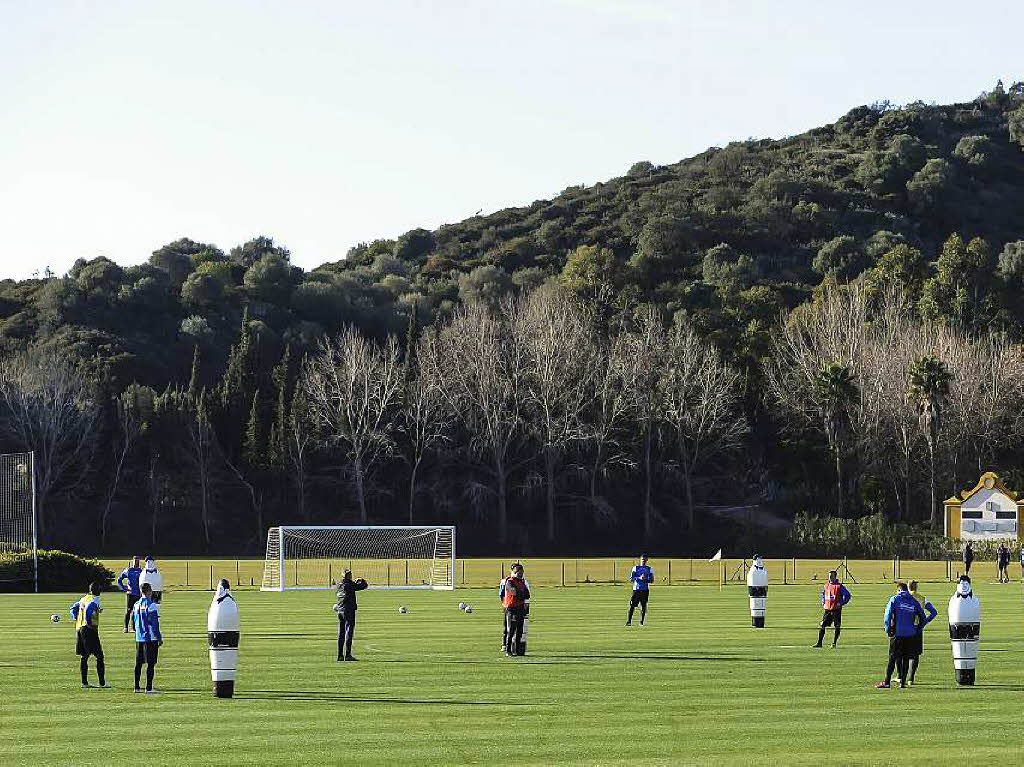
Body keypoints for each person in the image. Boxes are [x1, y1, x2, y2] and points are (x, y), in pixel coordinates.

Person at [875, 582, 927, 689]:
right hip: (910, 634)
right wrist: (917, 629)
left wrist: (888, 629)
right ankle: (902, 683)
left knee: (892, 658)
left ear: (898, 590)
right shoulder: (914, 601)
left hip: (897, 633)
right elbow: (922, 617)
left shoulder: (895, 599)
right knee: (906, 659)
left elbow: (888, 615)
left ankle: (887, 681)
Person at [69, 582, 107, 688]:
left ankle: (84, 683)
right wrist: (89, 622)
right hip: (89, 629)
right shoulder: (95, 599)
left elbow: (73, 608)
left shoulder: (84, 598)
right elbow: (89, 609)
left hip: (80, 628)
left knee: (84, 656)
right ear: (97, 590)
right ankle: (102, 683)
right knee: (99, 656)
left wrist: (76, 618)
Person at [131, 582, 163, 693]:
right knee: (150, 663)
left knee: (138, 663)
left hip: (139, 637)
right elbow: (155, 624)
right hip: (150, 638)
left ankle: (136, 687)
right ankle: (149, 688)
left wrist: (136, 630)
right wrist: (159, 637)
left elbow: (133, 620)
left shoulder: (136, 604)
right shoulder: (151, 605)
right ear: (149, 591)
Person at [906, 580, 938, 686]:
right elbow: (934, 612)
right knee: (915, 654)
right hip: (917, 629)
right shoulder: (922, 598)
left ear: (908, 587)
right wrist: (924, 622)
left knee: (903, 653)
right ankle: (911, 679)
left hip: (904, 628)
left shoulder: (902, 598)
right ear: (916, 587)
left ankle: (900, 677)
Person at [334, 570, 368, 661]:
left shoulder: (339, 584)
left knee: (341, 633)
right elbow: (364, 586)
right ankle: (348, 655)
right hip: (348, 610)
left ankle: (340, 655)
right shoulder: (349, 585)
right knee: (349, 631)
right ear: (349, 576)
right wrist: (361, 580)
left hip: (340, 610)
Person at [813, 570, 852, 648]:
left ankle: (834, 643)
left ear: (835, 576)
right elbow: (823, 595)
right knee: (822, 625)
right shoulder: (826, 586)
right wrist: (823, 603)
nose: (830, 577)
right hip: (827, 609)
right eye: (829, 575)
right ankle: (819, 643)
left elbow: (847, 595)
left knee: (837, 626)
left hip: (836, 609)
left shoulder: (840, 586)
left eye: (832, 576)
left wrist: (841, 603)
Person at [501, 563, 530, 657]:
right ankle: (508, 650)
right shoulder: (509, 581)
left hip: (520, 608)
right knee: (511, 630)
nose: (521, 574)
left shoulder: (522, 582)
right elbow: (514, 593)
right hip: (511, 609)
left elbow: (527, 594)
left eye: (522, 572)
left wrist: (520, 593)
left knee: (520, 631)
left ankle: (517, 650)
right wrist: (520, 593)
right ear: (514, 573)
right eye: (518, 572)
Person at [116, 556, 143, 633]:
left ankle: (134, 628)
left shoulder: (141, 571)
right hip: (130, 594)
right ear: (132, 562)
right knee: (128, 610)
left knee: (136, 611)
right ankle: (125, 627)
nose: (136, 563)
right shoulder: (128, 570)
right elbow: (119, 580)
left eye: (137, 561)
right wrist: (124, 588)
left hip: (138, 594)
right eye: (135, 561)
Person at [626, 555, 653, 626]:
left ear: (647, 560)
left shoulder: (649, 569)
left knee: (643, 606)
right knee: (632, 606)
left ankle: (641, 622)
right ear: (640, 559)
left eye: (645, 559)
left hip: (645, 590)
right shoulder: (635, 568)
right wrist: (639, 578)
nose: (643, 561)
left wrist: (645, 579)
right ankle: (629, 621)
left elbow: (651, 580)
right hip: (636, 590)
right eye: (642, 559)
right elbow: (631, 578)